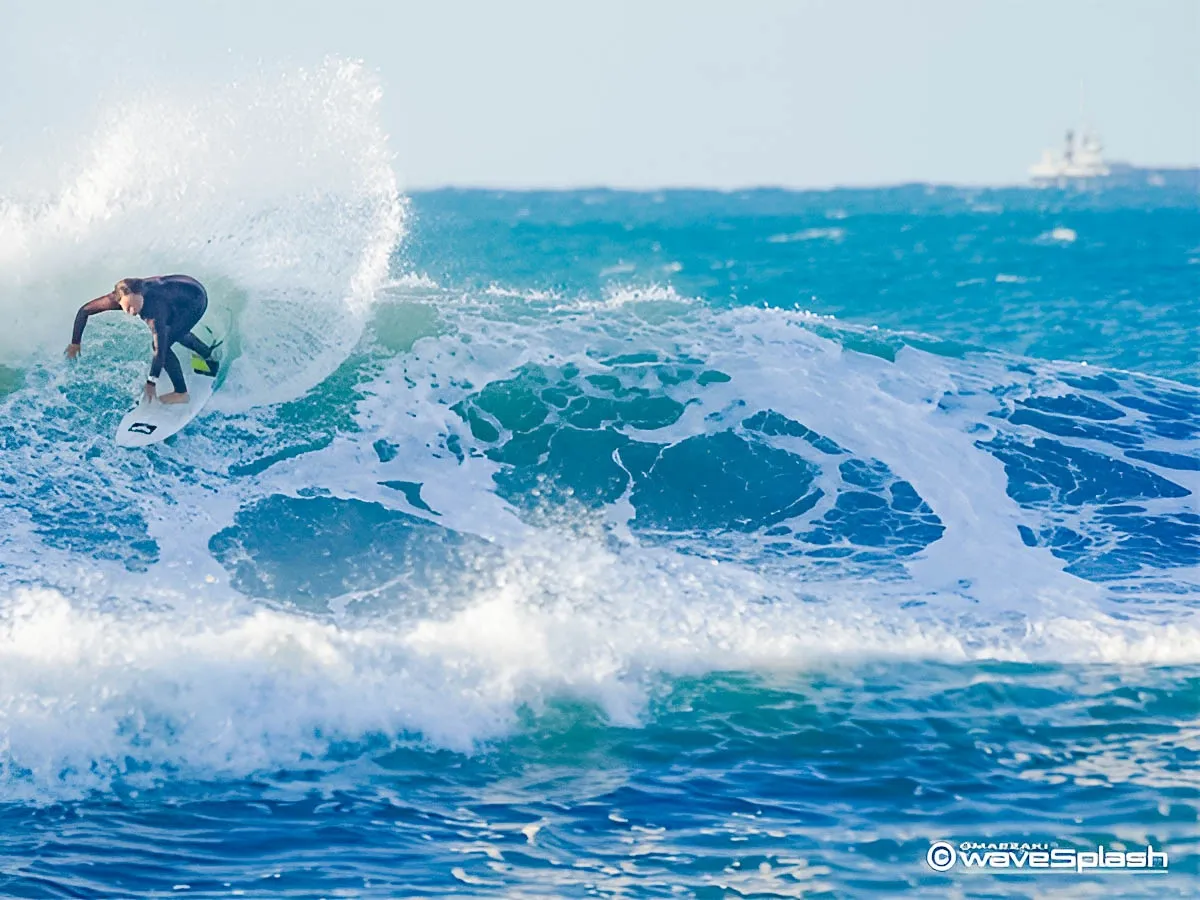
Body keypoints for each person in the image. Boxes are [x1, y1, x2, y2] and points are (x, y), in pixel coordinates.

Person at [66, 275, 219, 405]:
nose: (132, 311)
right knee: (174, 332)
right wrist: (75, 342)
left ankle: (181, 393)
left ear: (142, 295)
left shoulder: (154, 311)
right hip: (181, 288)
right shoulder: (117, 297)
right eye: (128, 307)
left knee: (164, 341)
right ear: (118, 300)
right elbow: (84, 311)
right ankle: (208, 356)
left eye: (135, 306)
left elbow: (160, 349)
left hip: (195, 299)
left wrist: (151, 382)